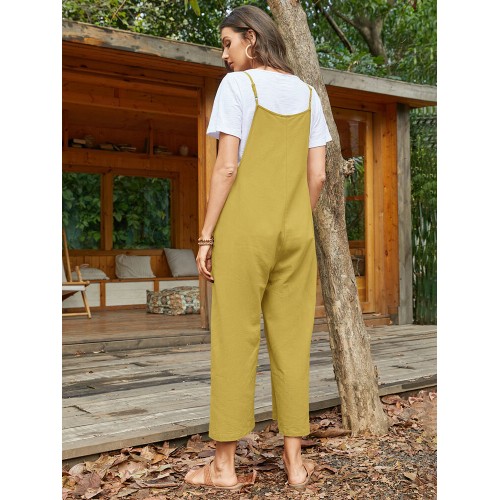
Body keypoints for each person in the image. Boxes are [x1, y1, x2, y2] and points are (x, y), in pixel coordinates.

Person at [184, 4, 331, 492]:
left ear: (251, 38)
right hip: (296, 233)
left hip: (245, 231)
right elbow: (317, 175)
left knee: (235, 339)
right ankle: (295, 464)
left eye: (227, 43)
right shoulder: (308, 94)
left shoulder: (237, 87)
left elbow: (227, 167)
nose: (223, 55)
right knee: (292, 341)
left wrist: (206, 235)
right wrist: (294, 220)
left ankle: (223, 468)